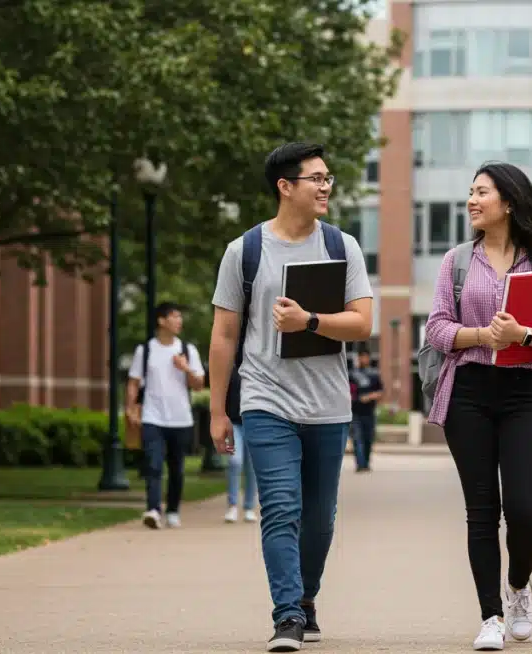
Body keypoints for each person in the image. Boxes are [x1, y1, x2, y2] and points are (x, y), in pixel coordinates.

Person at [208, 142, 373, 652]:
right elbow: (224, 334)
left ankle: (305, 600)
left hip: (327, 404)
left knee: (319, 517)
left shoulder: (342, 246)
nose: (326, 186)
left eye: (329, 178)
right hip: (265, 400)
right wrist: (218, 410)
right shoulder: (245, 251)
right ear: (286, 186)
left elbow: (362, 323)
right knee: (281, 508)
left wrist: (310, 322)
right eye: (316, 178)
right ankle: (286, 615)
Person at [423, 161, 532, 651]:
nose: (472, 200)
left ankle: (518, 587)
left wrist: (522, 335)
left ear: (507, 201)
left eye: (481, 192)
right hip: (468, 391)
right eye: (470, 192)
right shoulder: (457, 261)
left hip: (523, 392)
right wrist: (482, 335)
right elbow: (437, 328)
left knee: (526, 511)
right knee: (481, 511)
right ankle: (490, 615)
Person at [126, 302, 204, 530]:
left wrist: (186, 368)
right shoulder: (145, 350)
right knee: (153, 464)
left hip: (181, 418)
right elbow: (133, 382)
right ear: (161, 321)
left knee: (177, 468)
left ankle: (172, 510)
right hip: (153, 417)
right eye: (174, 316)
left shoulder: (188, 350)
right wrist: (130, 408)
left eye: (180, 317)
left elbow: (198, 385)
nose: (179, 321)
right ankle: (153, 509)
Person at [349, 348, 384, 472]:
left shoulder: (374, 374)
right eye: (361, 357)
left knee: (368, 439)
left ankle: (366, 463)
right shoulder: (352, 374)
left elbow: (381, 392)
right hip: (355, 412)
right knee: (357, 439)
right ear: (358, 358)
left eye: (365, 357)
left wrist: (369, 397)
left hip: (369, 412)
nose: (363, 359)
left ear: (369, 358)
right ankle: (360, 465)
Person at [224, 419, 258, 523]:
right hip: (232, 424)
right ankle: (232, 506)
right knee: (235, 461)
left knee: (252, 467)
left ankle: (249, 507)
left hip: (254, 423)